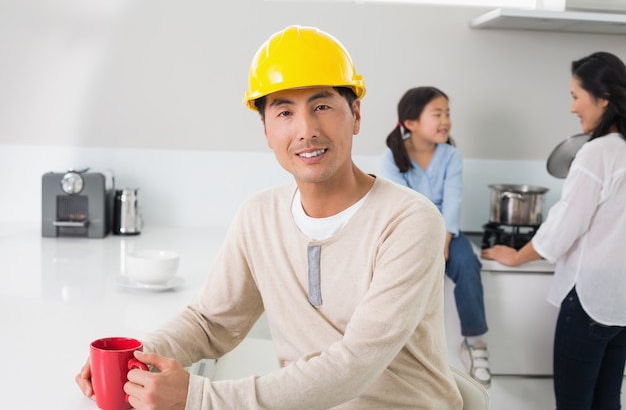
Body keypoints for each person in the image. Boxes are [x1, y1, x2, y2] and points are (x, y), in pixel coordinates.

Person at [75, 25, 463, 410]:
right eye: (284, 111)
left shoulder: (410, 221)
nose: (306, 130)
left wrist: (199, 397)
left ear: (356, 115)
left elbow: (356, 363)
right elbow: (211, 320)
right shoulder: (259, 216)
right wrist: (136, 359)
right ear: (265, 129)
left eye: (322, 106)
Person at [482, 51, 626, 410]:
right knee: (607, 400)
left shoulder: (598, 153)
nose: (572, 107)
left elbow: (564, 227)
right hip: (622, 302)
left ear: (603, 98)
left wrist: (517, 255)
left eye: (576, 96)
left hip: (590, 300)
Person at [380, 86, 491, 388]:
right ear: (411, 122)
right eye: (437, 114)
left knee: (468, 265)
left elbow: (453, 201)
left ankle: (474, 342)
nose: (446, 120)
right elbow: (398, 206)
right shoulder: (393, 157)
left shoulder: (451, 156)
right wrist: (423, 244)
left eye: (448, 114)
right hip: (408, 234)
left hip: (447, 233)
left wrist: (442, 243)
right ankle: (399, 344)